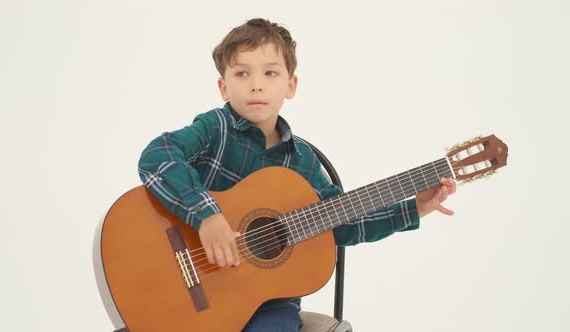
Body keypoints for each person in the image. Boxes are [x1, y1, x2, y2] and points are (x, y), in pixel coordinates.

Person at [138, 17, 457, 332]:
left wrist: (415, 208)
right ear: (223, 86)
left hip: (271, 302)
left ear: (291, 85)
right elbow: (157, 156)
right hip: (200, 289)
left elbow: (340, 225)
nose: (256, 83)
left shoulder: (302, 161)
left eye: (271, 72)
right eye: (242, 73)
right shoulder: (214, 129)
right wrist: (207, 217)